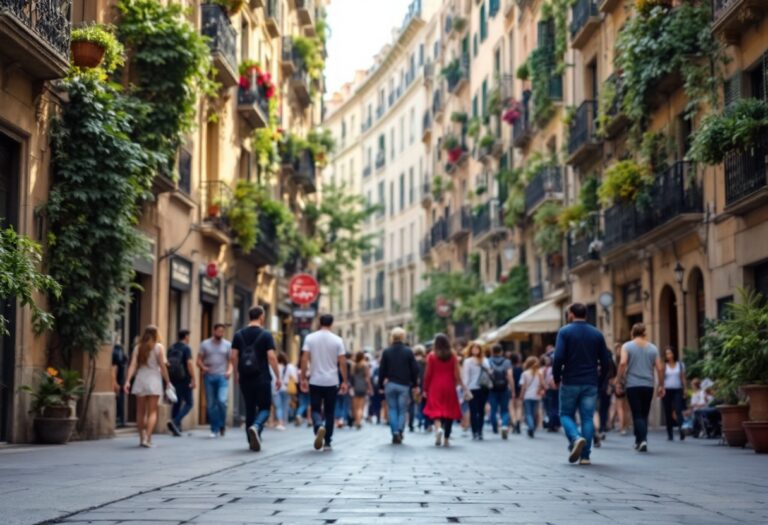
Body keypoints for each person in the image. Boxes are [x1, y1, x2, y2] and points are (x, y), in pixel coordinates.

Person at [553, 303, 613, 465]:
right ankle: (585, 456)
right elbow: (606, 361)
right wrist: (600, 380)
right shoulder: (597, 334)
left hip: (570, 381)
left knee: (565, 414)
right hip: (590, 381)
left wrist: (556, 377)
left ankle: (575, 438)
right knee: (587, 417)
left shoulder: (564, 332)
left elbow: (558, 358)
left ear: (571, 314)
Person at [231, 306, 281, 452]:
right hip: (262, 377)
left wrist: (237, 373)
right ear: (261, 317)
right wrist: (278, 376)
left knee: (249, 408)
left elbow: (233, 356)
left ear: (249, 316)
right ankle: (257, 426)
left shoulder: (238, 334)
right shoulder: (266, 335)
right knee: (265, 407)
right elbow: (271, 357)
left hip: (245, 378)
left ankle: (251, 439)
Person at [301, 314, 348, 451]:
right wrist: (344, 380)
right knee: (329, 411)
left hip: (315, 380)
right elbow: (342, 362)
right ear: (332, 323)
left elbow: (304, 359)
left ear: (319, 322)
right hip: (331, 381)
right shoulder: (338, 340)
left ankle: (318, 426)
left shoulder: (310, 338)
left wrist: (303, 378)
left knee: (315, 408)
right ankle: (327, 440)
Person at [616, 322, 664, 453]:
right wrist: (661, 385)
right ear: (644, 333)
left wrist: (619, 380)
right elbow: (659, 368)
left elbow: (623, 363)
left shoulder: (627, 346)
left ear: (632, 332)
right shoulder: (653, 348)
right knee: (644, 414)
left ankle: (642, 440)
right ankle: (639, 440)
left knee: (636, 414)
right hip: (648, 385)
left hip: (632, 385)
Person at [124, 325, 171, 448]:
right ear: (157, 334)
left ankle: (141, 438)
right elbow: (162, 366)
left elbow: (133, 365)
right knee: (152, 412)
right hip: (154, 380)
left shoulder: (138, 348)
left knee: (140, 412)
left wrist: (127, 381)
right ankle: (147, 438)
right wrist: (168, 381)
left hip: (140, 379)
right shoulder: (159, 347)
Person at [423, 333, 466, 447]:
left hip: (435, 386)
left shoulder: (432, 356)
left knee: (436, 410)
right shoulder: (453, 356)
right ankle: (446, 439)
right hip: (449, 386)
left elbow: (428, 374)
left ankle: (438, 428)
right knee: (449, 412)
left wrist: (425, 388)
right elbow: (457, 373)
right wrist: (460, 384)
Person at [378, 327, 419, 444]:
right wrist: (415, 384)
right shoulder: (408, 351)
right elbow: (414, 369)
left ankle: (394, 432)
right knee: (402, 410)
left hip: (390, 384)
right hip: (404, 385)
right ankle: (400, 431)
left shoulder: (386, 351)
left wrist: (380, 385)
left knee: (392, 409)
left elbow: (382, 370)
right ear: (403, 337)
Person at [197, 323, 232, 438]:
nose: (220, 333)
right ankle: (214, 428)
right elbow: (198, 360)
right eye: (219, 331)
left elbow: (231, 361)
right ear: (214, 331)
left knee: (222, 401)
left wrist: (229, 371)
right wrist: (203, 367)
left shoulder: (227, 345)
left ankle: (222, 425)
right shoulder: (205, 344)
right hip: (209, 376)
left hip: (223, 377)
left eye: (222, 332)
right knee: (211, 404)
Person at [166, 329, 196, 436]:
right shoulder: (186, 348)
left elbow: (167, 364)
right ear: (186, 337)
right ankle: (175, 421)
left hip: (174, 378)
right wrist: (193, 378)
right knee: (189, 403)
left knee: (177, 402)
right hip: (185, 378)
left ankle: (176, 428)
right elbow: (189, 363)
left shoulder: (171, 348)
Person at [462, 342, 491, 440]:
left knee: (481, 411)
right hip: (472, 389)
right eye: (473, 348)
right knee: (473, 411)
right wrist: (465, 389)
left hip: (483, 388)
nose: (475, 350)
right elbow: (466, 376)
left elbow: (489, 372)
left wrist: (482, 364)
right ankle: (475, 431)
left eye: (477, 348)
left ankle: (480, 431)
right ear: (470, 350)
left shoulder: (485, 360)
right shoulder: (467, 361)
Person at [487, 344, 513, 439]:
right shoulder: (507, 362)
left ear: (492, 351)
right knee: (504, 410)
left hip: (492, 388)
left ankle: (494, 426)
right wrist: (513, 389)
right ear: (501, 351)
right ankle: (504, 426)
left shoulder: (488, 361)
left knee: (493, 409)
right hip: (504, 388)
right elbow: (510, 376)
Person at [663, 346, 687, 441]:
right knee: (668, 412)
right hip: (667, 390)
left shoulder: (680, 365)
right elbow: (661, 379)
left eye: (670, 353)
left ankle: (682, 431)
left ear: (674, 354)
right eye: (667, 354)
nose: (669, 355)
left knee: (678, 410)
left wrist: (685, 389)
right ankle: (670, 434)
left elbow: (683, 378)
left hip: (678, 390)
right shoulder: (664, 365)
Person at [519, 356, 544, 438]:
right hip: (536, 396)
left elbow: (523, 386)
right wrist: (539, 391)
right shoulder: (540, 373)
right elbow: (542, 385)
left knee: (528, 413)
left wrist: (521, 395)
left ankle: (531, 426)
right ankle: (532, 426)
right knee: (534, 413)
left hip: (527, 395)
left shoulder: (525, 373)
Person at [273, 352, 296, 431]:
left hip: (277, 388)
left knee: (278, 406)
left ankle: (280, 422)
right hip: (286, 388)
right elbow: (294, 378)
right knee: (285, 406)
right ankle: (284, 422)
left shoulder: (275, 366)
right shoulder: (289, 367)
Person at [350, 351, 372, 429]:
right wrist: (370, 388)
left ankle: (357, 421)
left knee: (355, 406)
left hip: (355, 386)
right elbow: (367, 378)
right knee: (361, 406)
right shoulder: (365, 365)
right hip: (363, 386)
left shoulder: (354, 365)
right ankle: (359, 421)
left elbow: (352, 377)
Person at [543, 345, 560, 433]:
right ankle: (555, 424)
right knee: (555, 406)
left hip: (550, 389)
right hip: (556, 388)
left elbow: (545, 379)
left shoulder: (547, 369)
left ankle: (551, 424)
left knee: (551, 407)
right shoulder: (556, 368)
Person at [111, 342, 128, 428]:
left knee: (120, 400)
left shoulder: (117, 353)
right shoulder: (118, 354)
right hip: (119, 381)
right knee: (119, 401)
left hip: (120, 381)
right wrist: (115, 382)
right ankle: (119, 420)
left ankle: (120, 419)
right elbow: (114, 368)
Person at [510, 353, 524, 434]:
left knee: (511, 407)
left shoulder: (510, 369)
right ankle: (518, 422)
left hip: (512, 389)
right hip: (519, 388)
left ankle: (514, 423)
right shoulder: (521, 369)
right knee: (519, 407)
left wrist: (512, 391)